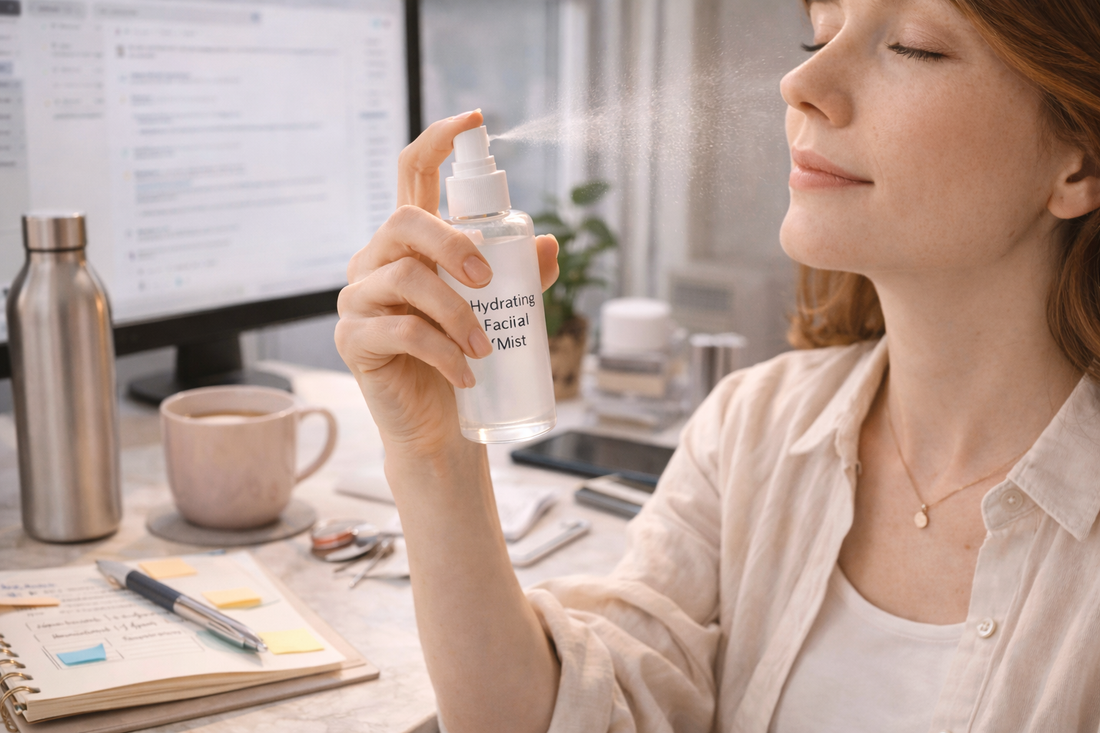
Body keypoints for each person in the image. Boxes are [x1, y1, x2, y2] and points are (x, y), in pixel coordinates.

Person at [334, 0, 1100, 729]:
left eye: (914, 47)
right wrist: (434, 456)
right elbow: (570, 719)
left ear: (1078, 163)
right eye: (820, 33)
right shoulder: (751, 430)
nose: (800, 85)